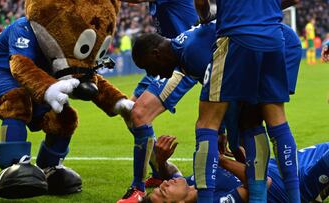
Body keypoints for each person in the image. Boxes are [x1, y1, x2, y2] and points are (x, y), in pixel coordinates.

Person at [131, 2, 301, 201]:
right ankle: (276, 197)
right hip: (274, 37)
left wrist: (230, 134)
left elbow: (226, 95)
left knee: (244, 123)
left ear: (156, 54)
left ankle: (255, 196)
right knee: (261, 120)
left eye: (147, 67)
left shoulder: (191, 54)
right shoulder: (185, 50)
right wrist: (225, 132)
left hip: (264, 43)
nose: (150, 73)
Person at [117, 1, 199, 202]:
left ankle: (138, 188)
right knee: (129, 110)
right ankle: (159, 170)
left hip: (182, 59)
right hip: (163, 58)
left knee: (139, 113)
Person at [140, 135, 329, 203]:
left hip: (284, 165)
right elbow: (263, 184)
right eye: (164, 192)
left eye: (159, 186)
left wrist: (162, 162)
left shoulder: (194, 184)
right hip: (296, 184)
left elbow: (173, 174)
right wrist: (221, 160)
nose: (164, 183)